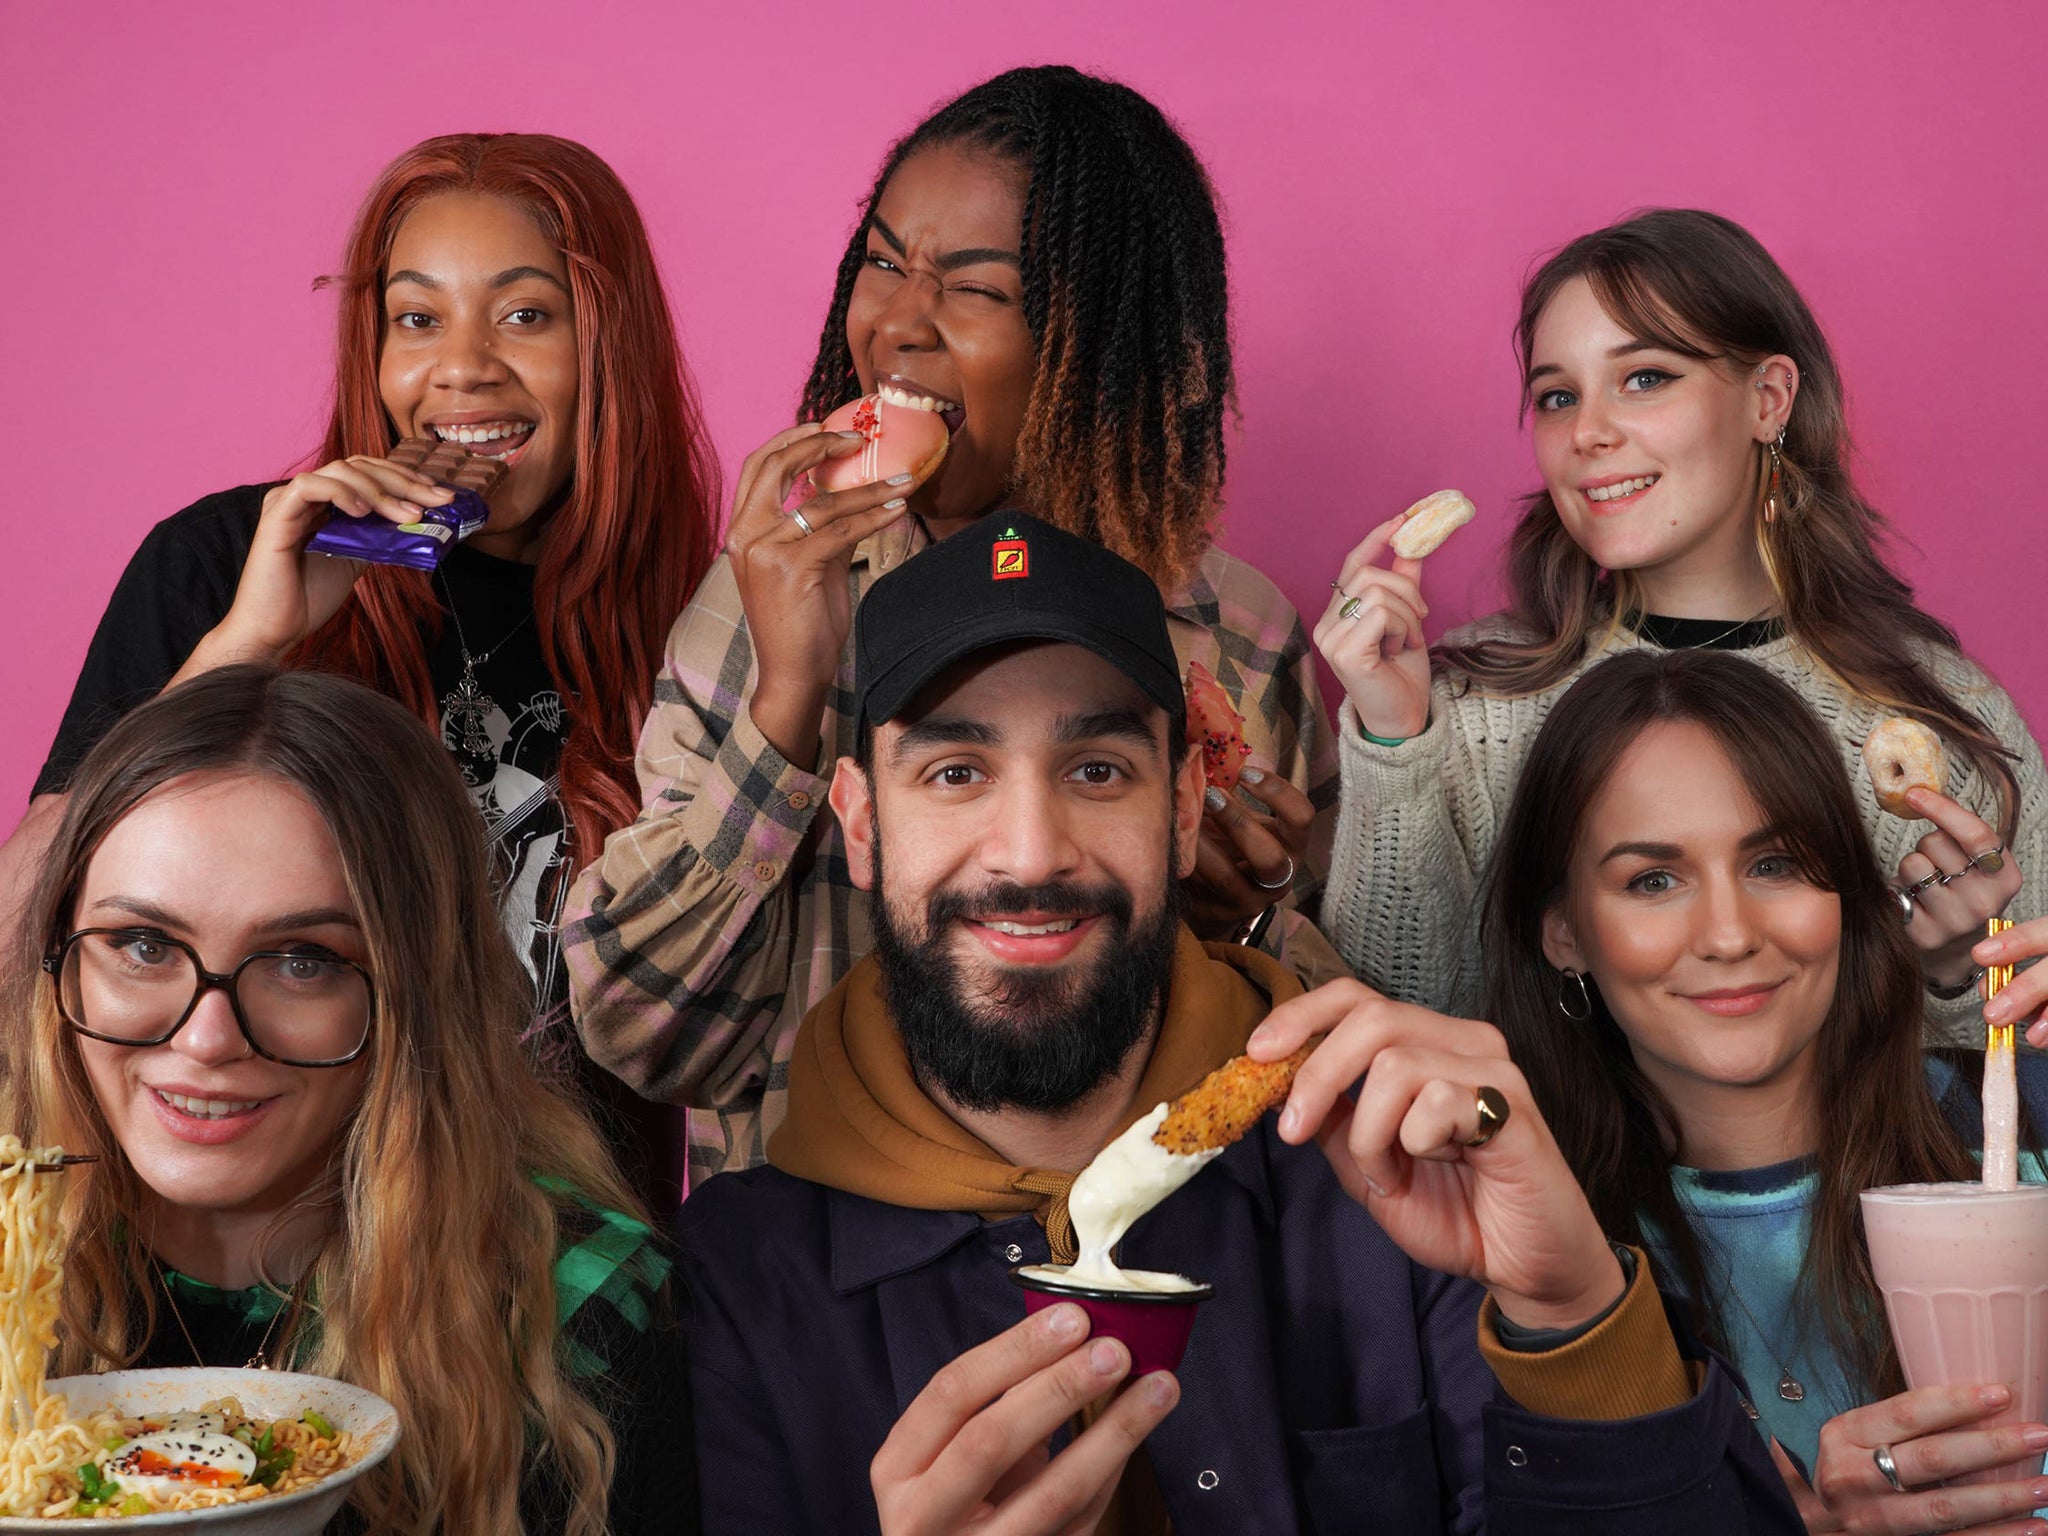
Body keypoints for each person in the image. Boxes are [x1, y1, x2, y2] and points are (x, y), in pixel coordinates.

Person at [675, 514, 1800, 1535]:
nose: (1028, 852)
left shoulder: (1399, 1169)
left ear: (1177, 810)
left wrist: (1570, 1316)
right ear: (862, 827)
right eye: (957, 771)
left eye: (1097, 769)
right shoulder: (744, 1276)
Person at [567, 65, 1341, 1185]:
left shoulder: (1240, 634)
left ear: (1105, 347)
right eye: (882, 263)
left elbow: (1307, 1075)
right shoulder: (774, 595)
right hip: (826, 1273)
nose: (895, 328)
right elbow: (648, 1037)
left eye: (972, 291)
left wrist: (1257, 920)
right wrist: (786, 704)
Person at [4, 133, 721, 1200]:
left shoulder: (698, 625)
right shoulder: (226, 561)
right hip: (258, 1235)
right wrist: (250, 644)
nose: (462, 366)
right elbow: (25, 927)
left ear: (605, 345)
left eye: (526, 315)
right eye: (415, 319)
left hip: (569, 1274)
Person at [1315, 208, 2044, 1041]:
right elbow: (1390, 1037)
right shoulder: (1467, 699)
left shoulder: (1946, 719)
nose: (1587, 433)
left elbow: (2016, 1127)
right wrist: (1396, 740)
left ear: (1768, 399)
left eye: (1645, 377)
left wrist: (1951, 977)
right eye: (1558, 396)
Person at [1, 666, 689, 1534]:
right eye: (143, 943)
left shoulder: (569, 1311)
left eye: (304, 962)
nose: (208, 1039)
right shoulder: (15, 1250)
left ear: (417, 992)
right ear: (59, 952)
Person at [1484, 647, 2048, 1534]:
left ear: (1847, 893)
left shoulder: (2018, 1139)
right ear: (1565, 934)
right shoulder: (1530, 1262)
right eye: (1653, 881)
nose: (1728, 934)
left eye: (1775, 864)